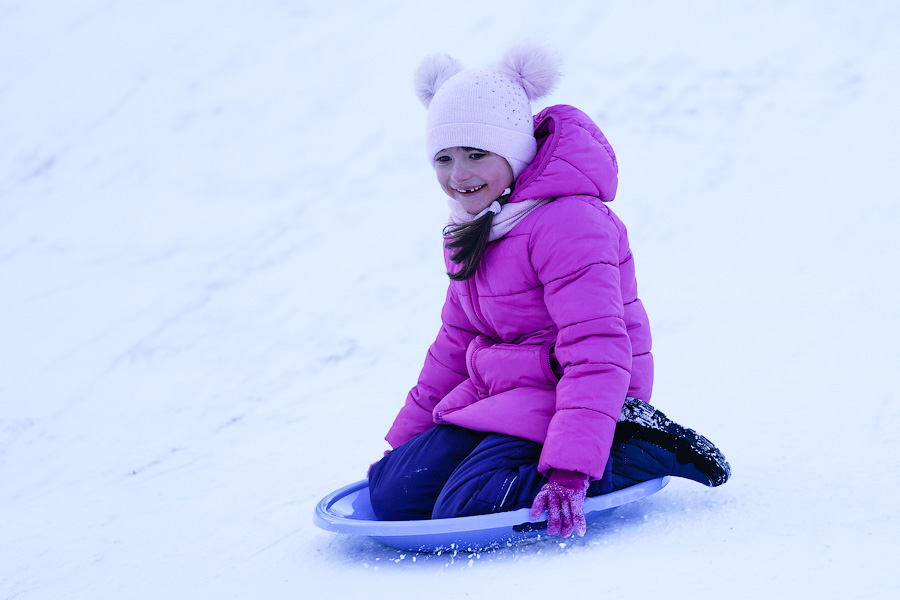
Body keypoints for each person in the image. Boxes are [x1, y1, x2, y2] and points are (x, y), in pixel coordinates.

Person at [367, 43, 730, 538]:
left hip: (578, 395)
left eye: (477, 154)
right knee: (391, 494)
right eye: (444, 158)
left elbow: (598, 348)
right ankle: (493, 463)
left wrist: (571, 469)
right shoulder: (475, 227)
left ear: (514, 152)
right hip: (505, 394)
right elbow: (452, 347)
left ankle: (636, 445)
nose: (459, 175)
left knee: (470, 505)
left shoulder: (569, 222)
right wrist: (403, 450)